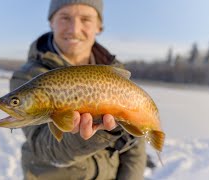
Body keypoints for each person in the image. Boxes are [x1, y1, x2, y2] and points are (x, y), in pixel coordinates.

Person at [10, 0, 147, 179]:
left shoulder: (116, 76)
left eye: (86, 19)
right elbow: (46, 148)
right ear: (51, 22)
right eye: (65, 18)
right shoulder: (28, 77)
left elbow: (136, 145)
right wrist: (96, 132)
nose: (74, 29)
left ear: (99, 26)